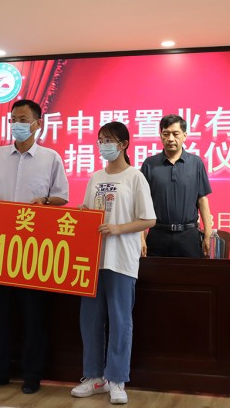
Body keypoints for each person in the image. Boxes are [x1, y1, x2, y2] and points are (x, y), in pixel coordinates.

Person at [0, 99, 69, 394]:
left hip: (36, 243)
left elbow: (62, 197)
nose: (17, 124)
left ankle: (32, 373)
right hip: (1, 240)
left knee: (34, 311)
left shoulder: (51, 158)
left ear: (38, 124)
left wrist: (45, 201)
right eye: (13, 119)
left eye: (23, 119)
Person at [71, 122, 156, 405]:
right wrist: (84, 214)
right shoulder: (95, 177)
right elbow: (89, 214)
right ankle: (94, 377)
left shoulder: (135, 177)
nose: (103, 145)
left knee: (120, 320)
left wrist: (118, 228)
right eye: (100, 140)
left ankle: (117, 379)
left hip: (121, 259)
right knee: (90, 320)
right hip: (91, 260)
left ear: (123, 144)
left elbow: (148, 219)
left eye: (109, 140)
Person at [140, 114, 212, 258]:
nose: (171, 138)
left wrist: (207, 234)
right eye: (166, 134)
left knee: (191, 273)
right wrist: (141, 236)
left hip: (189, 236)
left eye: (175, 134)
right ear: (161, 136)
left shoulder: (196, 163)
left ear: (184, 136)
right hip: (158, 235)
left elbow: (202, 199)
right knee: (155, 273)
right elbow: (141, 203)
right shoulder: (150, 164)